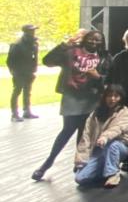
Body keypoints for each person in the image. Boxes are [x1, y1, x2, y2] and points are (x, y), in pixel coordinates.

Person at [31, 29, 111, 180]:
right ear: (85, 39)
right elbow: (47, 61)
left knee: (84, 133)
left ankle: (79, 164)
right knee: (67, 130)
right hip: (72, 97)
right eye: (91, 39)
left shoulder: (105, 57)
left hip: (92, 99)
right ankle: (47, 163)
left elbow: (109, 79)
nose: (94, 42)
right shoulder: (71, 51)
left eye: (98, 40)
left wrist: (98, 77)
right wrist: (64, 45)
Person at [73, 84, 128, 188]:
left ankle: (113, 174)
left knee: (112, 145)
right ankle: (105, 168)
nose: (112, 99)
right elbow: (86, 136)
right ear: (104, 97)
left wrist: (104, 137)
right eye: (109, 95)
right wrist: (80, 159)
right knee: (80, 178)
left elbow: (117, 128)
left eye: (116, 96)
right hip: (99, 149)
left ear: (121, 98)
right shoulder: (96, 113)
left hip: (119, 147)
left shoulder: (124, 112)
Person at [8, 23, 39, 121]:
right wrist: (14, 72)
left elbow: (34, 58)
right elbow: (10, 60)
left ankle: (27, 111)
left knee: (27, 92)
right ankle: (14, 114)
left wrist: (33, 70)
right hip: (19, 72)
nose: (33, 32)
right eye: (31, 30)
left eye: (34, 30)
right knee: (17, 91)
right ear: (26, 32)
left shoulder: (33, 43)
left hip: (29, 72)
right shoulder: (17, 44)